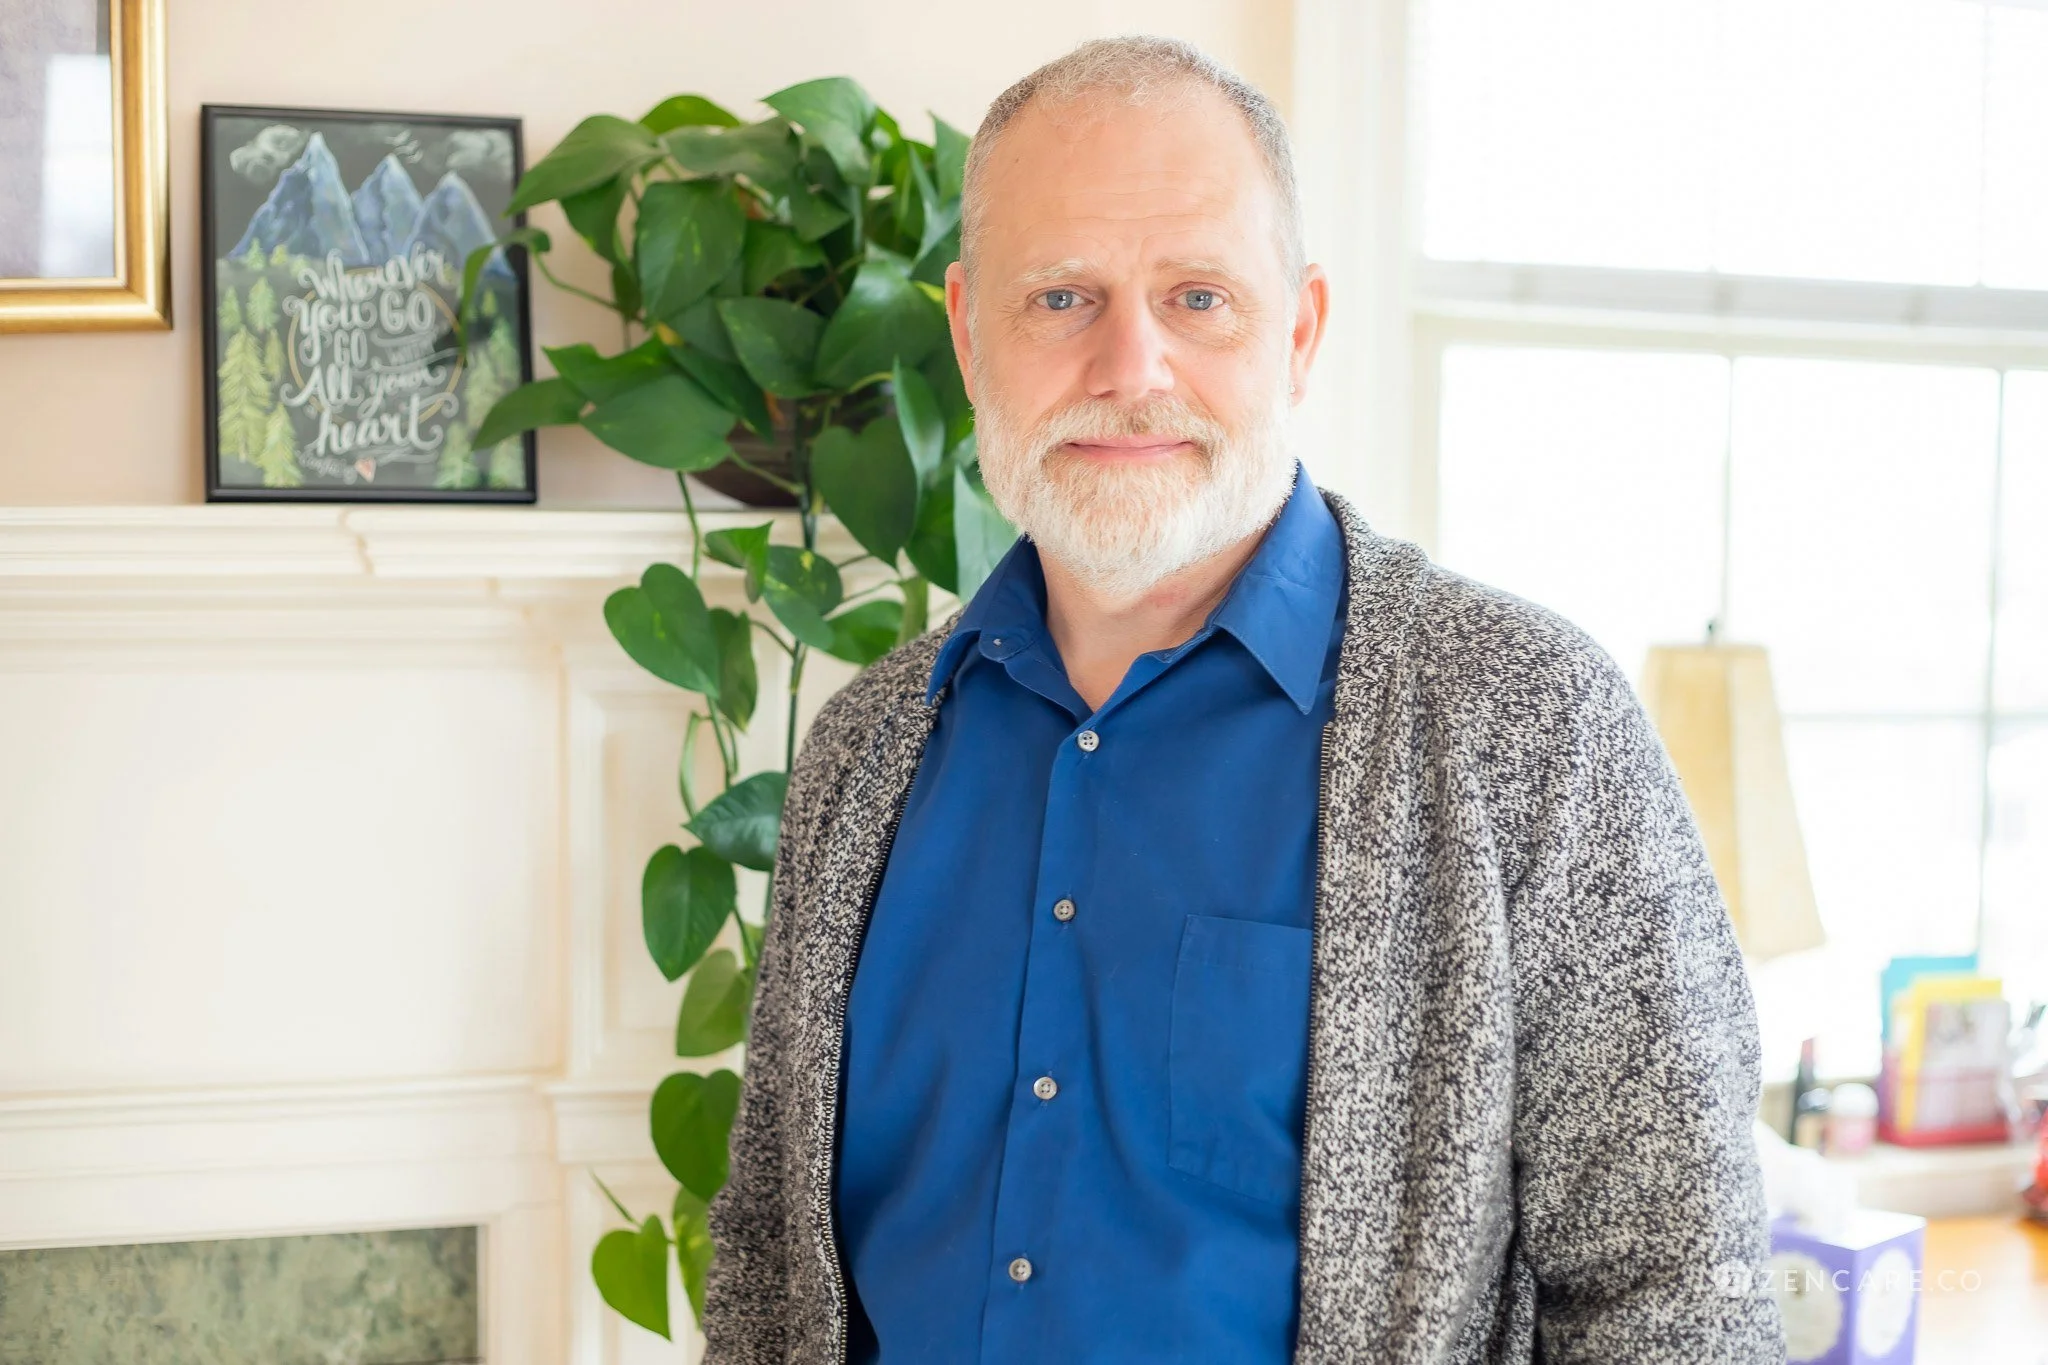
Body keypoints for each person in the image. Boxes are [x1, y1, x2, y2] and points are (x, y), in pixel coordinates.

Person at [704, 34, 1785, 1365]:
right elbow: (768, 1261)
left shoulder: (1531, 725)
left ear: (1302, 330)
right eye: (1061, 299)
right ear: (970, 338)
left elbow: (1676, 1294)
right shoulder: (862, 751)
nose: (1131, 369)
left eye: (1200, 297)